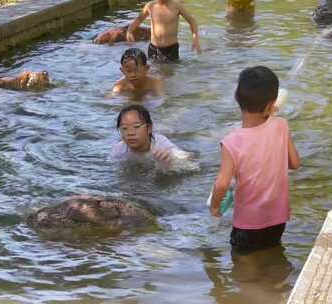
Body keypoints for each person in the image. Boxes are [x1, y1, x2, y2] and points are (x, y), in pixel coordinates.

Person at [209, 66, 301, 254]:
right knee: (273, 255)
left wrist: (215, 206)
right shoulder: (281, 125)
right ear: (271, 105)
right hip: (277, 218)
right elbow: (294, 163)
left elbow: (222, 183)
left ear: (236, 96)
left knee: (244, 270)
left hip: (247, 224)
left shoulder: (231, 142)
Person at [126, 0, 201, 62]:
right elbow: (139, 18)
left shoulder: (177, 6)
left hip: (171, 48)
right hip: (154, 48)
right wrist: (129, 31)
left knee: (171, 74)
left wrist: (195, 38)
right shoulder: (150, 6)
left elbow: (192, 21)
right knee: (154, 72)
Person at [111, 104, 180, 166]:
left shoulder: (161, 145)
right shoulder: (119, 150)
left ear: (149, 127)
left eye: (136, 126)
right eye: (124, 128)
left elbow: (185, 158)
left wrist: (171, 159)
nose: (130, 133)